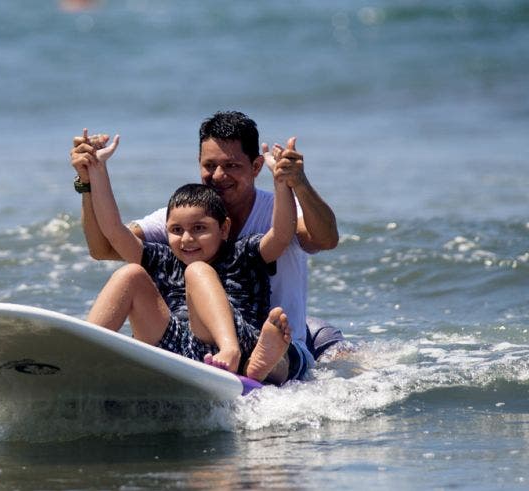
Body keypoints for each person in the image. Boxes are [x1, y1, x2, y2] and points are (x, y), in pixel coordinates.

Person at [71, 111, 341, 382]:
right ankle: (78, 355)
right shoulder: (181, 216)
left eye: (232, 165)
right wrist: (92, 175)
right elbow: (109, 241)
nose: (219, 175)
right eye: (210, 165)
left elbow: (315, 237)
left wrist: (290, 182)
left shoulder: (251, 242)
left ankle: (246, 360)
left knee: (198, 272)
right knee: (130, 274)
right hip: (189, 346)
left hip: (261, 340)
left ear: (256, 167)